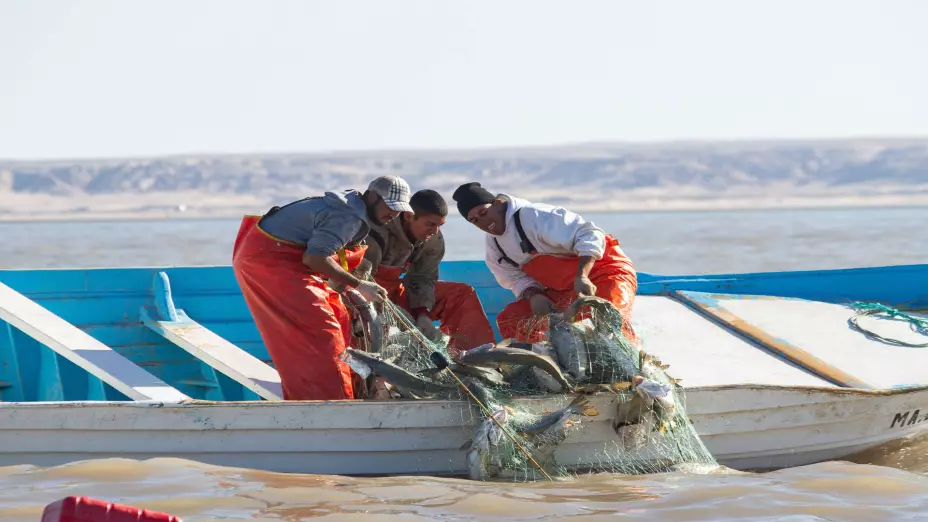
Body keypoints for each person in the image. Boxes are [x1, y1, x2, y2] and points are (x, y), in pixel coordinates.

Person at [232, 175, 413, 401]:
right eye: (390, 207)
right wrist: (358, 284)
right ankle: (324, 401)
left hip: (284, 259)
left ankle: (341, 392)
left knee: (339, 315)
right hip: (269, 261)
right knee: (322, 330)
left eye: (398, 210)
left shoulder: (354, 209)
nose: (393, 215)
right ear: (373, 197)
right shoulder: (349, 216)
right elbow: (315, 258)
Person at [451, 182, 639, 344]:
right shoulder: (495, 247)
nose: (483, 222)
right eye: (474, 220)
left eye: (483, 213)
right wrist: (533, 295)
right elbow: (514, 278)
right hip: (563, 292)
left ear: (498, 203)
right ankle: (549, 362)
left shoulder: (534, 216)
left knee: (611, 320)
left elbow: (589, 234)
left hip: (606, 273)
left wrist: (582, 275)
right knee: (511, 318)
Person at [359, 189, 497, 357]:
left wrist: (422, 313)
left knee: (461, 294)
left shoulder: (432, 239)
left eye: (440, 225)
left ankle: (474, 359)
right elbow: (355, 281)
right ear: (408, 216)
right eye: (430, 224)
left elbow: (423, 277)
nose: (435, 232)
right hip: (363, 297)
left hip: (395, 293)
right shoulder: (374, 232)